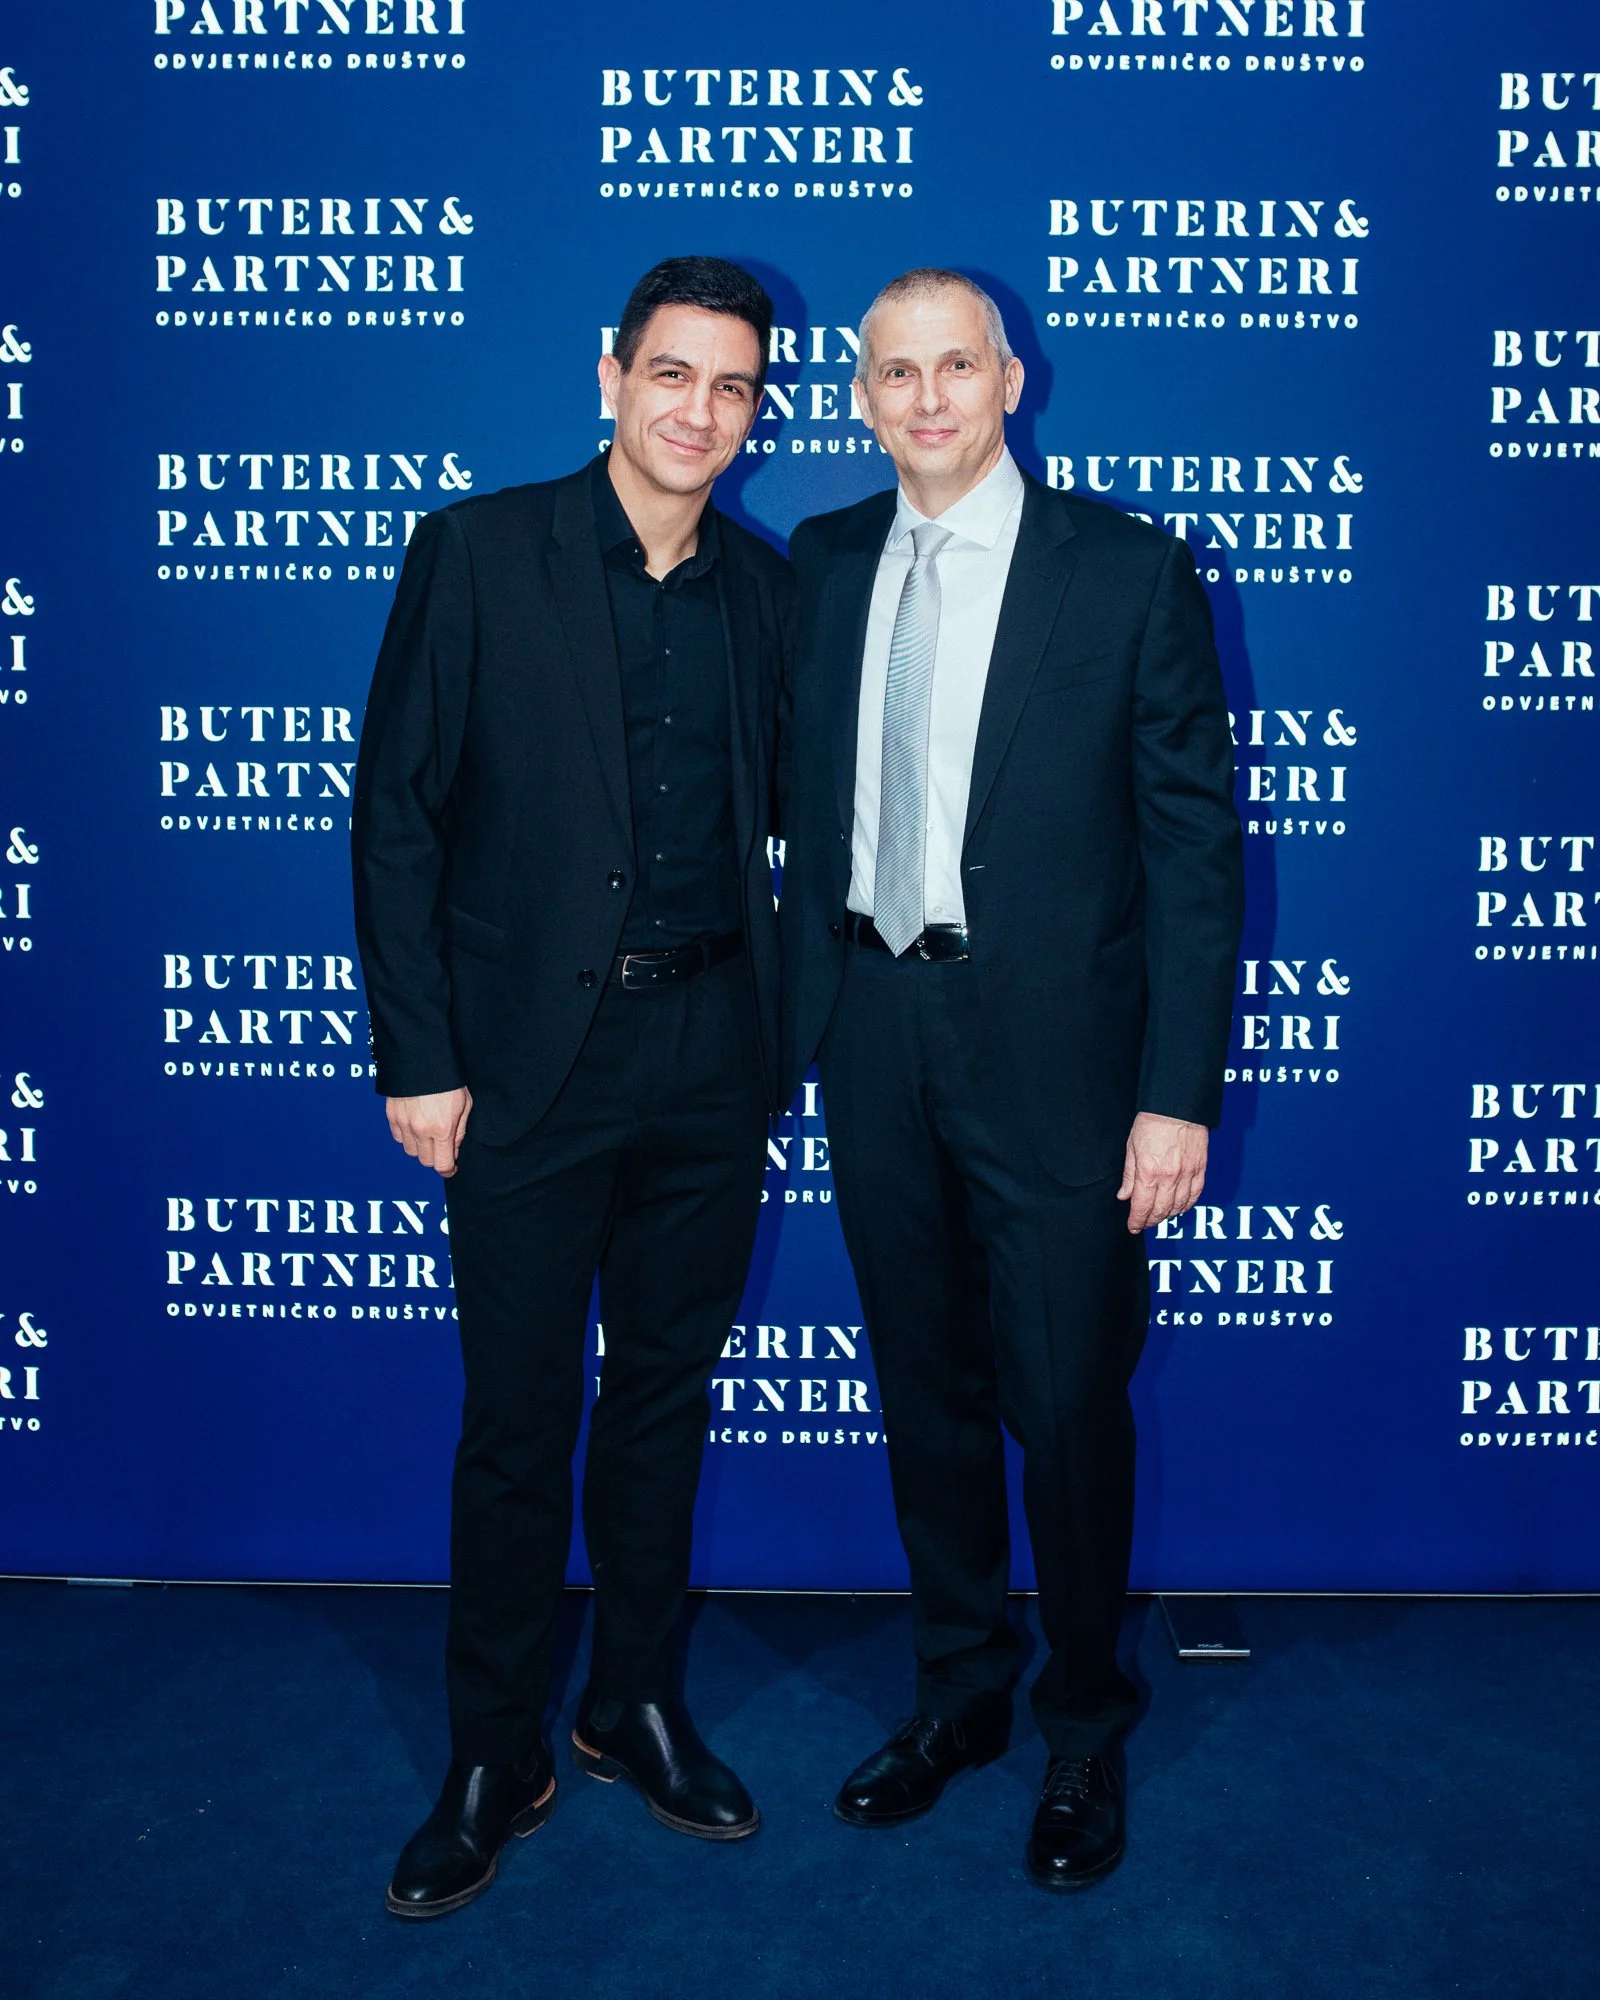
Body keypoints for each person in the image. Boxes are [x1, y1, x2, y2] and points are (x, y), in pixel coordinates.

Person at [779, 269, 1244, 1890]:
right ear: (857, 393)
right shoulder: (827, 564)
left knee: (1063, 1398)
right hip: (873, 1032)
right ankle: (958, 1694)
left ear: (1012, 379)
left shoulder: (1124, 571)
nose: (924, 398)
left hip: (1059, 1062)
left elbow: (1193, 855)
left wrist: (1174, 1092)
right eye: (894, 371)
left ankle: (1081, 1729)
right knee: (927, 1392)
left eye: (954, 366)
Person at [352, 257, 791, 1920]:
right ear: (609, 375)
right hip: (525, 1075)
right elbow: (395, 814)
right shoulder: (475, 553)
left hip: (709, 1066)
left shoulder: (764, 595)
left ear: (759, 408)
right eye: (672, 375)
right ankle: (494, 1751)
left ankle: (630, 1704)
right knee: (519, 1420)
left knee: (664, 1407)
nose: (699, 411)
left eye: (733, 386)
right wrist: (421, 1055)